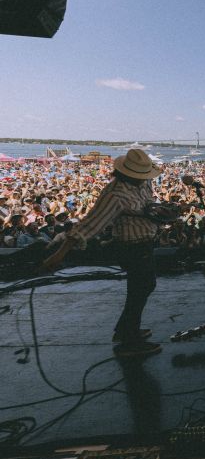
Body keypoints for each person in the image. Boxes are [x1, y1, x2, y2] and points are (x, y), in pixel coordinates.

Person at [41, 149, 164, 358]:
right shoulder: (114, 195)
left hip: (145, 243)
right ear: (128, 174)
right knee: (140, 289)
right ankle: (129, 341)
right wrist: (60, 254)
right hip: (131, 246)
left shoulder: (142, 184)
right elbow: (91, 224)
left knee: (143, 287)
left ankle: (126, 330)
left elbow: (146, 205)